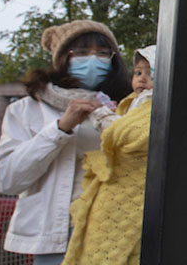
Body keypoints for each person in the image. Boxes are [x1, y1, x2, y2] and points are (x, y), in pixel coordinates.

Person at [0, 20, 131, 264]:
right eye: (82, 52)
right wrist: (59, 129)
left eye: (102, 53)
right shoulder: (25, 110)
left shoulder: (128, 108)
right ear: (62, 58)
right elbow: (6, 179)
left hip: (117, 232)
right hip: (58, 237)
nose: (93, 60)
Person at [63, 45, 157, 265]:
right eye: (138, 73)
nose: (142, 79)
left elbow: (125, 133)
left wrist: (100, 115)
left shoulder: (154, 104)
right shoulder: (131, 103)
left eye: (150, 73)